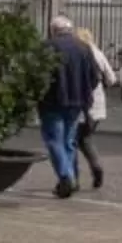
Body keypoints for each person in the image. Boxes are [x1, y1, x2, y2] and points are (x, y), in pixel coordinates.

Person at [39, 17, 102, 199]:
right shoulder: (83, 47)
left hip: (53, 101)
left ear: (53, 30)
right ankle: (69, 178)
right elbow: (95, 76)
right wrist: (84, 91)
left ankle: (66, 177)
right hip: (77, 102)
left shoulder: (48, 47)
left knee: (54, 140)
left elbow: (40, 75)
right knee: (68, 141)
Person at [68, 26, 122, 189]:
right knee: (84, 139)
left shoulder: (77, 54)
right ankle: (96, 167)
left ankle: (74, 178)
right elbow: (112, 79)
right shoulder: (98, 53)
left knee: (71, 141)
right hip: (97, 105)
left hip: (79, 103)